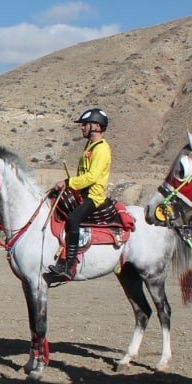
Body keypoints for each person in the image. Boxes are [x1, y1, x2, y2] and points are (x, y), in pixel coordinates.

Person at [48, 108, 112, 280]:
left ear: (96, 126)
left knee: (74, 218)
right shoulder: (90, 146)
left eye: (85, 124)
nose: (82, 127)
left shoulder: (102, 149)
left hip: (94, 197)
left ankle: (70, 265)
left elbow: (92, 177)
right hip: (82, 193)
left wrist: (69, 182)